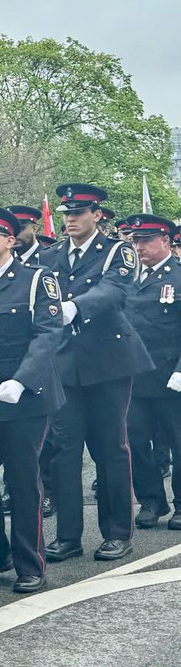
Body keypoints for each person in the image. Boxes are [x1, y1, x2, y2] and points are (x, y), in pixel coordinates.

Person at [41, 184, 150, 562]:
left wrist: (73, 308)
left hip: (108, 362)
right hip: (65, 364)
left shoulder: (116, 252)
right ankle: (69, 536)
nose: (70, 219)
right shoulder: (52, 254)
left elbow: (114, 292)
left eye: (78, 213)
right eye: (67, 213)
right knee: (64, 450)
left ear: (97, 215)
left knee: (110, 448)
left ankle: (118, 532)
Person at [0, 206, 65, 593]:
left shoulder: (37, 279)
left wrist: (22, 380)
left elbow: (48, 334)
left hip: (25, 395)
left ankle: (29, 561)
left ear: (9, 240)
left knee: (22, 478)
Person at [123, 215, 181, 530]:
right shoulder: (129, 279)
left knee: (178, 442)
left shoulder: (179, 276)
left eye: (146, 240)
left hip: (172, 377)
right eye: (135, 240)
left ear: (166, 241)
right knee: (135, 441)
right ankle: (151, 501)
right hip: (136, 377)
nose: (139, 247)